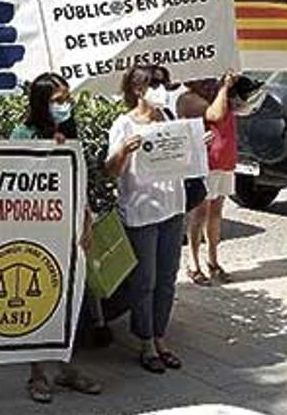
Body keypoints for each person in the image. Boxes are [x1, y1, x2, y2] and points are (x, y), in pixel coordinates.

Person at [9, 72, 102, 403]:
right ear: (41, 103)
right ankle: (37, 374)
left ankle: (67, 367)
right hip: (36, 230)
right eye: (57, 100)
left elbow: (82, 178)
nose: (65, 105)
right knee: (36, 299)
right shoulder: (23, 134)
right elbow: (14, 180)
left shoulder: (72, 130)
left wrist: (87, 220)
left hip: (70, 228)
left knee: (69, 299)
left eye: (67, 98)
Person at [106, 65, 186, 375]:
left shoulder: (169, 119)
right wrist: (124, 151)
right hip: (141, 210)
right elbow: (111, 170)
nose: (161, 90)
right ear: (138, 89)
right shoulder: (123, 124)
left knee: (167, 279)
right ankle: (145, 341)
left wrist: (196, 145)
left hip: (172, 208)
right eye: (155, 84)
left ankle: (161, 337)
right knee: (145, 281)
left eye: (164, 84)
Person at [178, 71, 239, 285]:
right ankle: (193, 262)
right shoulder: (187, 99)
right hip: (204, 163)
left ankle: (213, 260)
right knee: (199, 214)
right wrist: (224, 88)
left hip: (224, 160)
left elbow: (244, 107)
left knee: (216, 214)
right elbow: (216, 115)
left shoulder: (217, 92)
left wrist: (236, 86)